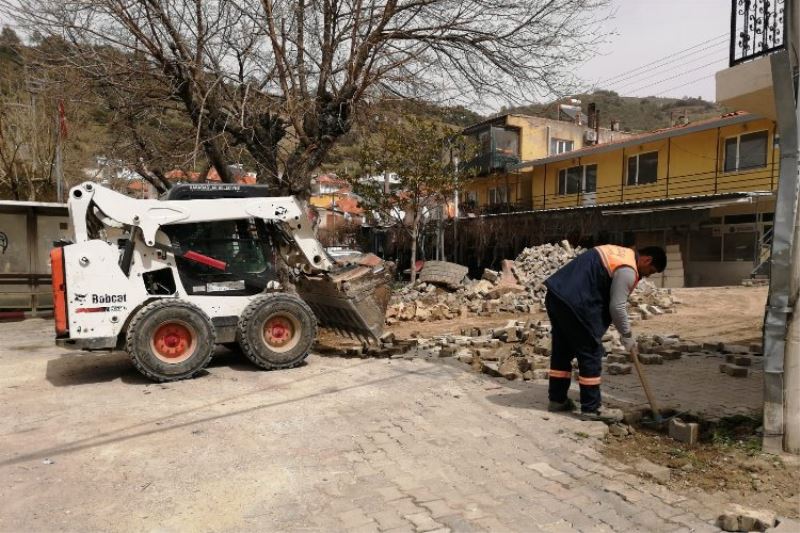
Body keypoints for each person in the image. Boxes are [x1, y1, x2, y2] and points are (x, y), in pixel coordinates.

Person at [543, 244, 667, 422]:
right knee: (591, 351)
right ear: (647, 260)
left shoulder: (620, 254)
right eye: (650, 271)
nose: (647, 275)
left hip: (557, 295)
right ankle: (592, 408)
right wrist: (627, 336)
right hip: (577, 301)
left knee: (562, 350)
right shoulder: (628, 269)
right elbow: (617, 306)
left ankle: (557, 399)